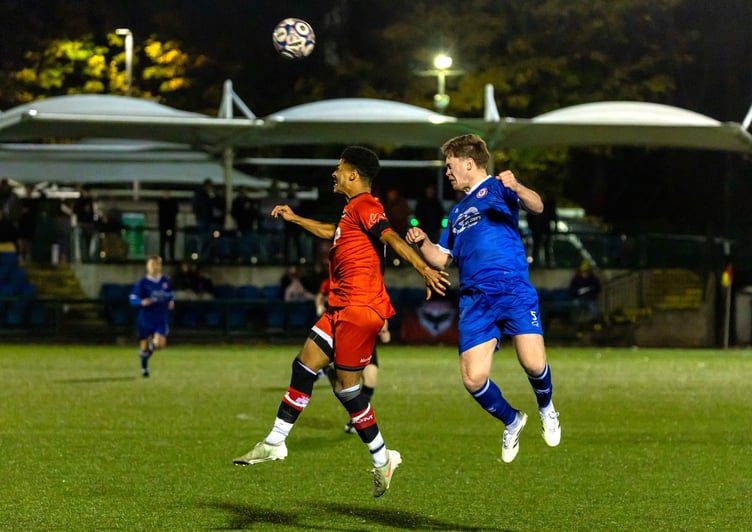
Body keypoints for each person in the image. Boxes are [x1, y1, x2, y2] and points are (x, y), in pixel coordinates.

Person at [233, 146, 450, 498]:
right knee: (304, 365)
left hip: (360, 309)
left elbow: (391, 236)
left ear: (353, 175)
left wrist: (425, 269)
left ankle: (383, 457)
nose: (334, 173)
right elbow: (333, 231)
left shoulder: (366, 205)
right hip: (341, 307)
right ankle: (276, 441)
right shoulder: (352, 212)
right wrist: (297, 219)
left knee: (347, 390)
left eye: (339, 168)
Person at [405, 133, 561, 464]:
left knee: (533, 362)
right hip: (475, 298)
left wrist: (517, 187)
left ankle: (547, 408)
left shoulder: (499, 188)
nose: (447, 173)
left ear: (468, 163)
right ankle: (512, 420)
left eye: (450, 166)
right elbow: (440, 258)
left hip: (512, 287)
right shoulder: (457, 210)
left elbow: (538, 205)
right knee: (473, 378)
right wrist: (422, 242)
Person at [316, 276, 390, 434]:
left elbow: (382, 308)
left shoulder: (372, 285)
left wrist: (384, 330)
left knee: (370, 380)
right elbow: (323, 298)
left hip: (367, 340)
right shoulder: (335, 282)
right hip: (346, 336)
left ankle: (356, 421)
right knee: (347, 385)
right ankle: (329, 370)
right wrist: (320, 308)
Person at [128, 255, 174, 377]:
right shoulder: (142, 283)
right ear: (147, 266)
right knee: (144, 344)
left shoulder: (166, 281)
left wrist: (171, 301)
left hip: (160, 317)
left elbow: (169, 294)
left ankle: (148, 350)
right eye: (152, 264)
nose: (155, 267)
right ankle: (144, 369)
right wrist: (141, 302)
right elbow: (132, 299)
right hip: (146, 318)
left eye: (157, 264)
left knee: (160, 343)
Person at [526, 188, 557, 268]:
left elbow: (553, 216)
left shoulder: (547, 207)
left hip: (543, 229)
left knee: (545, 246)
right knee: (537, 246)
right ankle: (538, 263)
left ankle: (545, 263)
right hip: (538, 229)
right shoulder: (545, 207)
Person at [569, 259, 602, 325]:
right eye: (583, 271)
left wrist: (591, 290)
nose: (585, 273)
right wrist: (578, 292)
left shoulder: (593, 279)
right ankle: (575, 322)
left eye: (586, 271)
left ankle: (593, 322)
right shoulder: (576, 279)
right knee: (574, 305)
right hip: (579, 298)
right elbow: (572, 290)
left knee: (593, 308)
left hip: (590, 298)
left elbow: (597, 288)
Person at [157, 191, 180, 263]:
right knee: (165, 243)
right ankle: (166, 257)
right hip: (167, 225)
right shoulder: (162, 202)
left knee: (168, 243)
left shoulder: (162, 203)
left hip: (168, 225)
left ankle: (168, 257)